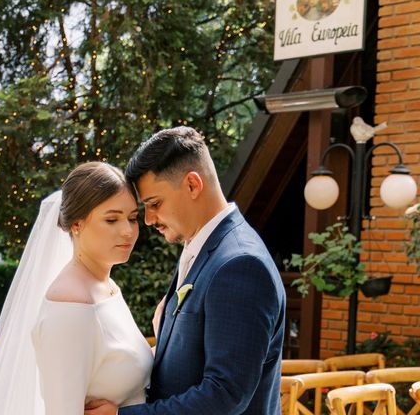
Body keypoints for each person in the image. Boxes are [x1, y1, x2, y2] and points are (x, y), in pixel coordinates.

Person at [85, 126, 286, 415]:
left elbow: (225, 394)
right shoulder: (203, 247)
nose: (149, 219)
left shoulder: (240, 265)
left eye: (154, 203)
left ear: (192, 184)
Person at [0, 161, 153, 415]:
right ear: (77, 224)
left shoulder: (106, 287)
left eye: (132, 218)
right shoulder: (72, 305)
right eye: (112, 220)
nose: (127, 231)